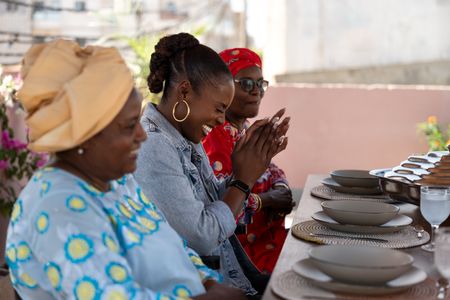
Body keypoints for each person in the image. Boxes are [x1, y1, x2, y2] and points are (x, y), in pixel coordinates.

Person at [5, 39, 246, 300]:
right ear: (87, 134)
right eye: (130, 125)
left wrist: (208, 282)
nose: (142, 135)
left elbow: (174, 245)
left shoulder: (118, 182)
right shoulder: (55, 205)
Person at [134, 32, 289, 296]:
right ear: (185, 90)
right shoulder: (153, 144)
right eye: (218, 109)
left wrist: (250, 164)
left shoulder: (184, 133)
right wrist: (242, 181)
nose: (221, 120)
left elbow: (209, 201)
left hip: (234, 275)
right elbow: (202, 236)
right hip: (206, 287)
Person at [203, 48, 295, 274]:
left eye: (260, 84)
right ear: (223, 87)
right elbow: (224, 208)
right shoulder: (211, 139)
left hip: (268, 241)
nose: (257, 92)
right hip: (242, 255)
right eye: (246, 83)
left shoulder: (244, 130)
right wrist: (268, 200)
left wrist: (280, 188)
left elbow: (273, 171)